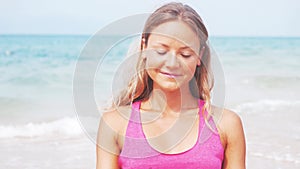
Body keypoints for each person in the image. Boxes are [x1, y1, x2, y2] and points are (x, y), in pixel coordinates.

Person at [96, 2, 246, 169]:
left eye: (185, 54)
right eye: (161, 51)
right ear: (144, 47)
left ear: (199, 56)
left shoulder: (226, 124)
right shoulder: (115, 123)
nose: (172, 63)